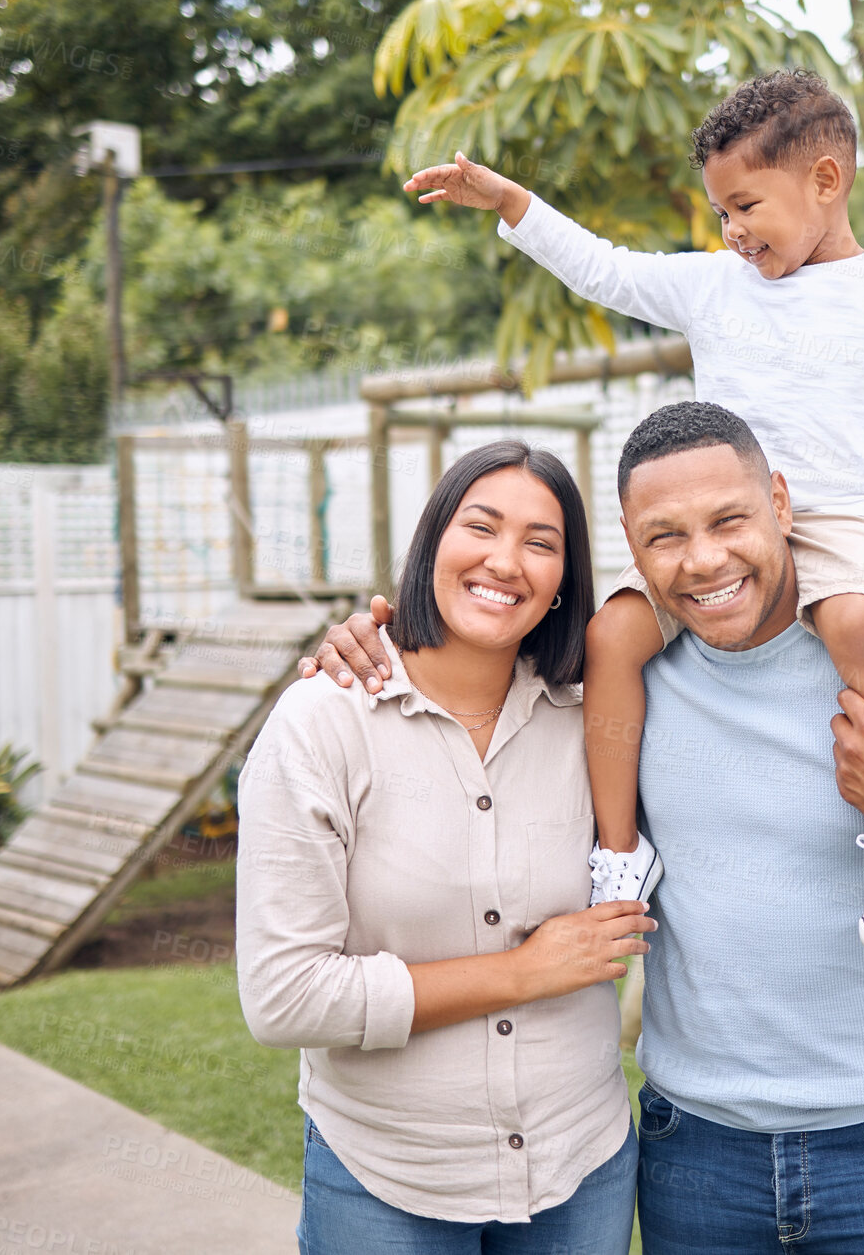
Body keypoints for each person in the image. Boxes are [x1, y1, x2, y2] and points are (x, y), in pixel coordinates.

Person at [310, 402, 864, 1254]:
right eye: (666, 535)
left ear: (782, 505)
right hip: (695, 1155)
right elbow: (468, 658)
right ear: (629, 542)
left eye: (731, 520)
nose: (705, 558)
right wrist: (362, 640)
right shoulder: (614, 682)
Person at [403, 69, 864, 952]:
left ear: (826, 182)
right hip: (713, 527)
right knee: (613, 636)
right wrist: (512, 203)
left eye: (746, 207)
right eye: (721, 213)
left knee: (855, 624)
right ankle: (619, 852)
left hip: (838, 516)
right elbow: (605, 270)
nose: (732, 232)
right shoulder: (712, 287)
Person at [235, 440, 653, 1253]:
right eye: (482, 527)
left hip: (583, 1165)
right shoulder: (323, 721)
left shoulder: (599, 717)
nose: (506, 560)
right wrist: (523, 972)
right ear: (433, 542)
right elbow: (283, 996)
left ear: (566, 577)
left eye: (541, 542)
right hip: (389, 1181)